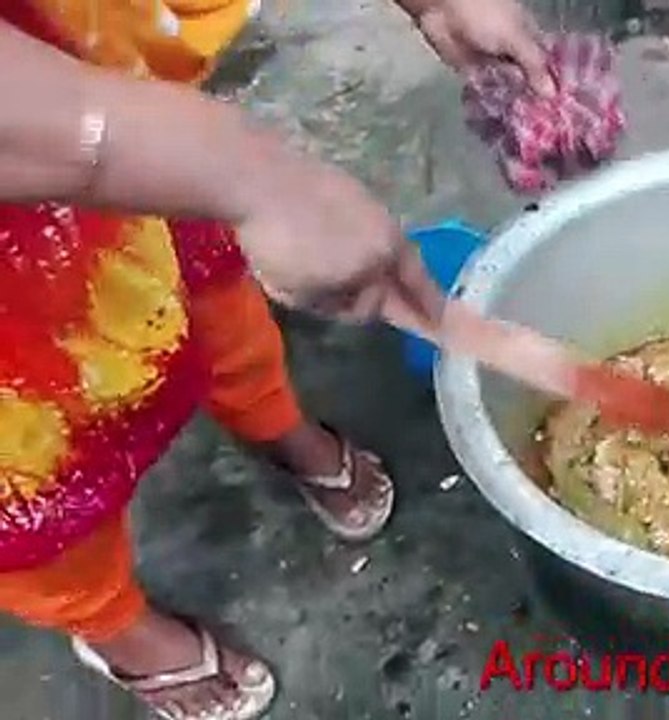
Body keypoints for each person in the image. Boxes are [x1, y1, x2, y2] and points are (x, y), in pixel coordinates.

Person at [0, 0, 554, 718]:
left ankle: (281, 428)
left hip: (107, 92)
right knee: (34, 501)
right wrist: (248, 176)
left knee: (219, 314)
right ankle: (112, 624)